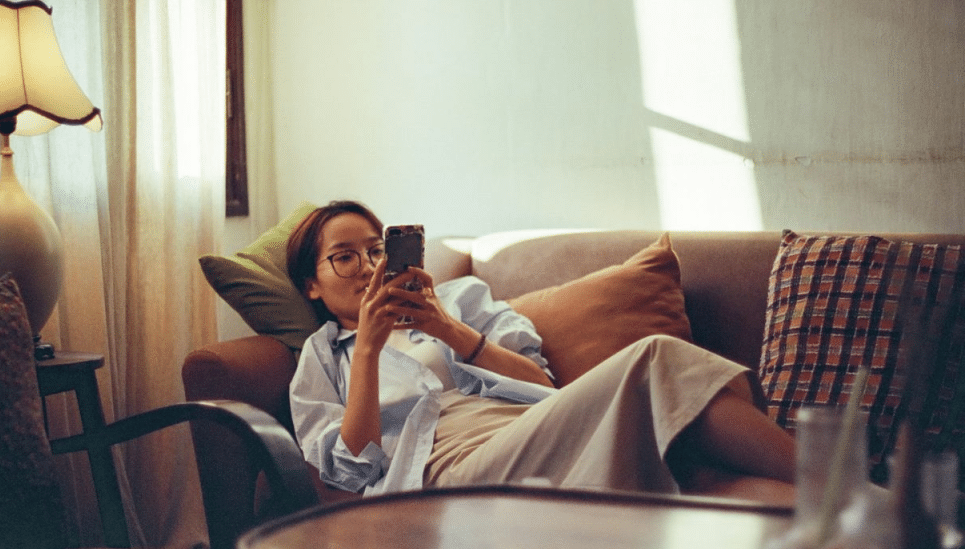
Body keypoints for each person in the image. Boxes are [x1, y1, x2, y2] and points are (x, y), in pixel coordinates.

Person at [286, 200, 797, 504]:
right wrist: (370, 350)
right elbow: (349, 470)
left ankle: (859, 508)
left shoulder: (461, 299)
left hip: (541, 434)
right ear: (312, 284)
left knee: (702, 478)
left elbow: (543, 385)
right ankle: (835, 477)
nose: (368, 265)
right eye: (344, 257)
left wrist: (448, 328)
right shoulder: (324, 358)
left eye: (377, 249)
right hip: (456, 474)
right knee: (658, 357)